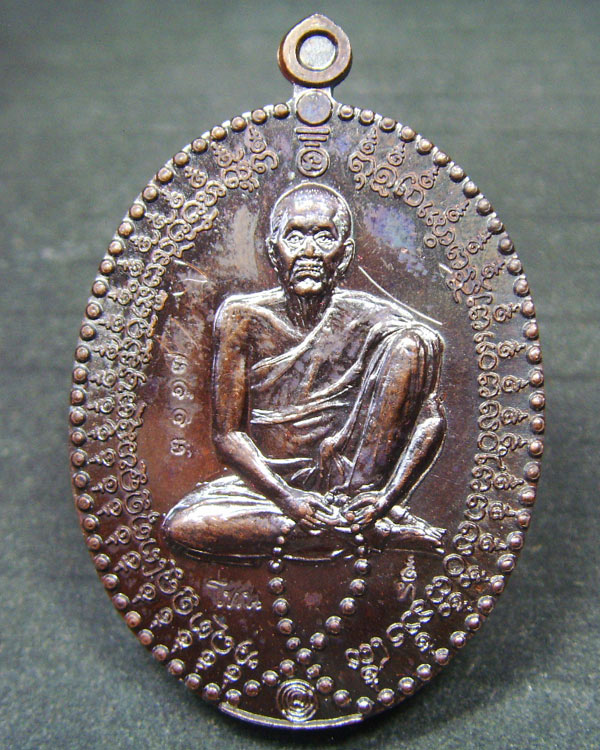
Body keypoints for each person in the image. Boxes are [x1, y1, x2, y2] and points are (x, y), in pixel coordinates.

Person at [163, 183, 446, 561]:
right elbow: (228, 435)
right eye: (294, 237)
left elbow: (430, 420)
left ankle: (350, 522)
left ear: (344, 255)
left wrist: (385, 498)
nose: (308, 252)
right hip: (266, 489)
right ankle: (359, 534)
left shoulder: (376, 320)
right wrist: (289, 500)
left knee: (416, 343)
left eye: (324, 237)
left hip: (349, 486)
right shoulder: (241, 318)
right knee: (185, 524)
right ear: (273, 251)